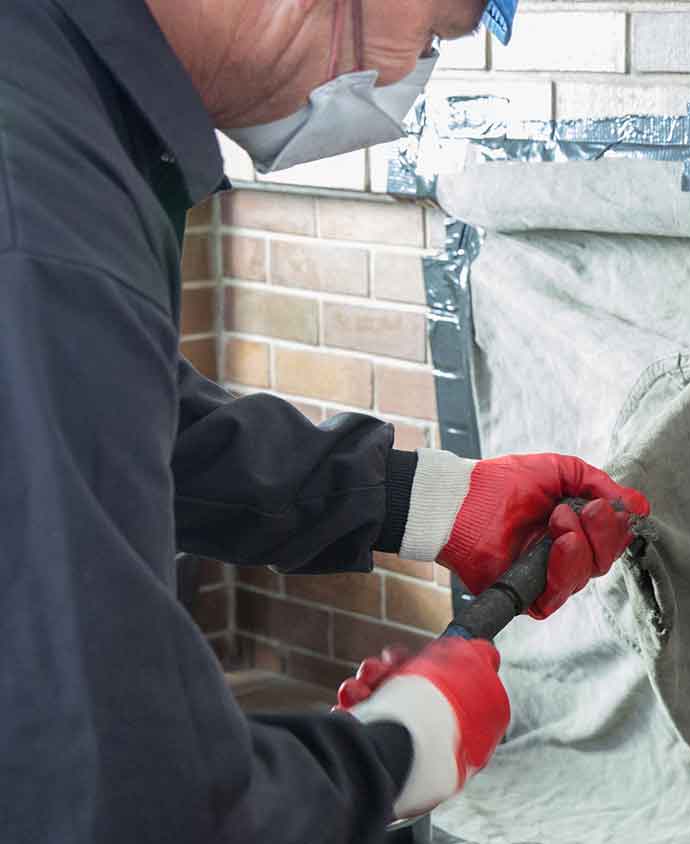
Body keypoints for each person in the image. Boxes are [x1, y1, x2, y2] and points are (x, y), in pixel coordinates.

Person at [0, 1, 648, 841]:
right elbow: (117, 793)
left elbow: (115, 420)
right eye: (436, 35)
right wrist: (389, 754)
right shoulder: (40, 202)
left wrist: (433, 502)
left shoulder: (52, 90)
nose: (407, 75)